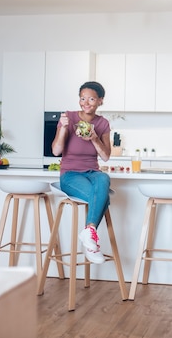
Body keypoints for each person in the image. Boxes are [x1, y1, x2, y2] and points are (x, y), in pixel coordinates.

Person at [52, 81, 112, 264]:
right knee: (103, 198)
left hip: (92, 173)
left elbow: (106, 156)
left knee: (103, 177)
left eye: (91, 99)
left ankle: (89, 233)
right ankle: (91, 239)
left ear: (100, 101)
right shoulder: (68, 118)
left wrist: (94, 138)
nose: (86, 103)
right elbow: (56, 151)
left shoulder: (102, 124)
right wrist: (63, 128)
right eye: (82, 98)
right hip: (70, 175)